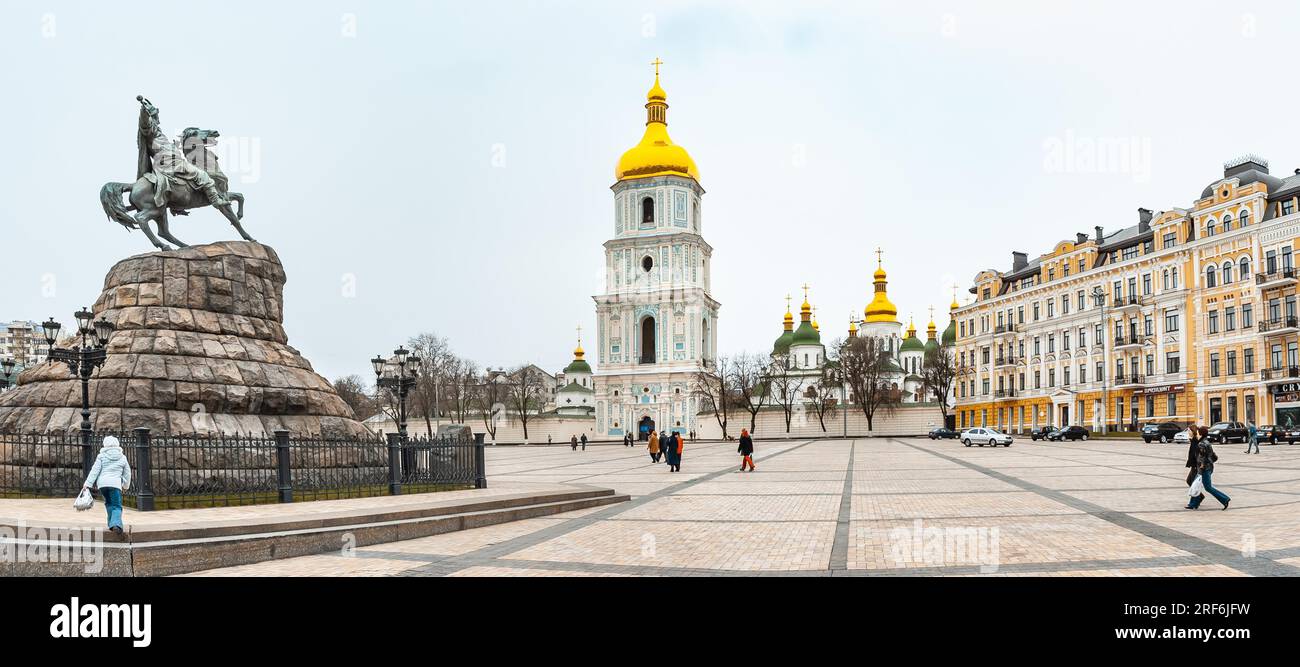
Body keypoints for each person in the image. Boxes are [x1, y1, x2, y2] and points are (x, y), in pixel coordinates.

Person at [82, 436, 132, 535]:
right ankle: (116, 525)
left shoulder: (101, 456)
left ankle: (111, 524)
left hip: (103, 484)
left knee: (109, 503)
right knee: (117, 506)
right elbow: (127, 473)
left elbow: (94, 470)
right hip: (115, 484)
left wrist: (87, 484)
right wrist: (126, 486)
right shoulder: (122, 457)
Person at [1188, 427, 1231, 510]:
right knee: (1196, 484)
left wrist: (1202, 466)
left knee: (1207, 487)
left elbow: (1202, 457)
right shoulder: (1207, 442)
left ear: (1200, 433)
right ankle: (1193, 504)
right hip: (1209, 467)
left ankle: (1225, 499)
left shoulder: (1202, 444)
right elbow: (1213, 456)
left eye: (1198, 432)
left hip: (1203, 469)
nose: (1197, 433)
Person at [1184, 425, 1205, 508]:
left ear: (1193, 432)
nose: (1188, 432)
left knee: (1194, 484)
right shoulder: (1193, 440)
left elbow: (1197, 455)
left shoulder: (1195, 441)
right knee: (1189, 481)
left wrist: (1198, 465)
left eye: (1189, 430)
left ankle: (1194, 503)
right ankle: (1199, 497)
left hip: (1196, 466)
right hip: (1194, 465)